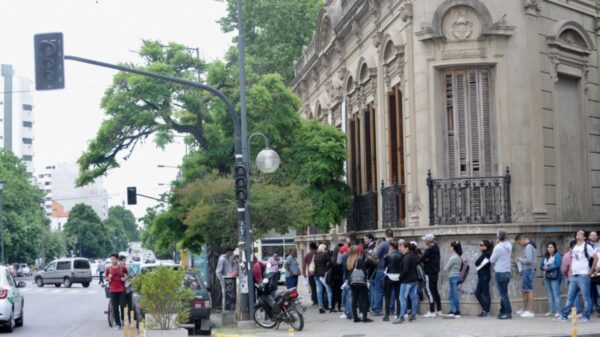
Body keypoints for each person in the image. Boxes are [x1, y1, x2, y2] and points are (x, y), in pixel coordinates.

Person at [556, 230, 599, 322]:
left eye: (580, 234)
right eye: (577, 233)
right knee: (570, 297)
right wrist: (571, 269)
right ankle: (564, 315)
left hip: (583, 275)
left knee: (586, 297)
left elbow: (596, 258)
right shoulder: (575, 247)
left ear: (584, 237)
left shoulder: (587, 246)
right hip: (574, 276)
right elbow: (573, 259)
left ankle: (586, 317)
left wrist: (591, 270)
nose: (578, 235)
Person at [346, 244, 372, 323]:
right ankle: (364, 316)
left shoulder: (349, 259)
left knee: (354, 298)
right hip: (360, 281)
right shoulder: (359, 259)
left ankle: (355, 317)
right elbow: (363, 271)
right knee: (364, 298)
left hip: (352, 281)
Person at [490, 229, 513, 320]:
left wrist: (497, 244)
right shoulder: (509, 245)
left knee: (503, 294)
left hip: (500, 272)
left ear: (498, 237)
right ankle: (503, 311)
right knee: (504, 293)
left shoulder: (498, 247)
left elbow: (492, 260)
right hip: (507, 271)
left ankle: (508, 313)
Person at [394, 242, 419, 324]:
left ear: (407, 248)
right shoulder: (414, 256)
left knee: (402, 298)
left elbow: (405, 270)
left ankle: (401, 316)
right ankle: (413, 314)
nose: (400, 249)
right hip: (414, 279)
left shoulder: (406, 258)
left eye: (402, 247)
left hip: (406, 281)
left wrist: (399, 277)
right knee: (414, 298)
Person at [516, 234, 537, 318]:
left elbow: (529, 260)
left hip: (528, 270)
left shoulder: (528, 246)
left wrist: (520, 259)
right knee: (525, 290)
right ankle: (525, 310)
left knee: (528, 290)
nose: (520, 244)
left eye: (519, 242)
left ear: (522, 239)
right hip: (528, 270)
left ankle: (530, 311)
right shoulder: (531, 245)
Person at [421, 233, 442, 318]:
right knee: (435, 291)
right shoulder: (436, 248)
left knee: (429, 292)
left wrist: (425, 260)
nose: (424, 241)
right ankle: (439, 310)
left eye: (425, 240)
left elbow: (421, 259)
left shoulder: (429, 250)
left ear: (429, 241)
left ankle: (432, 311)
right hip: (435, 273)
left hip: (429, 273)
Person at [105, 253, 128, 330]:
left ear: (117, 259)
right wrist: (109, 278)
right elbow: (106, 279)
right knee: (115, 308)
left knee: (123, 306)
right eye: (111, 259)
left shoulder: (122, 267)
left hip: (121, 289)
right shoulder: (108, 268)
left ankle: (123, 320)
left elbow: (127, 274)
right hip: (112, 290)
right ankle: (118, 324)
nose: (112, 260)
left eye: (114, 259)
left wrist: (124, 279)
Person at [540, 241, 562, 318]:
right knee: (549, 294)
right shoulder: (545, 256)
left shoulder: (557, 255)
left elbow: (557, 265)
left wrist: (548, 268)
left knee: (556, 294)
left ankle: (559, 311)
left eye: (551, 247)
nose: (549, 249)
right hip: (546, 277)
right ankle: (551, 310)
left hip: (555, 277)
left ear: (555, 248)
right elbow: (541, 265)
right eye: (548, 247)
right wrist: (543, 267)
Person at [561, 240, 583, 315]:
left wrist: (566, 274)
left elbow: (563, 269)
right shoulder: (581, 254)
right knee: (584, 295)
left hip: (571, 278)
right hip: (582, 276)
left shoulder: (566, 256)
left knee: (572, 295)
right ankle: (579, 311)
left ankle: (577, 311)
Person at [442, 241, 463, 318]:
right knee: (453, 295)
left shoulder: (453, 258)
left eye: (450, 246)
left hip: (452, 277)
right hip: (456, 276)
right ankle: (453, 311)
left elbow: (446, 268)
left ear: (453, 248)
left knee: (453, 295)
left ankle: (456, 311)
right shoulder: (459, 257)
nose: (449, 248)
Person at [383, 240, 402, 322]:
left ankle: (387, 315)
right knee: (398, 297)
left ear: (391, 246)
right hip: (398, 276)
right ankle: (398, 314)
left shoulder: (387, 256)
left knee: (387, 296)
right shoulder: (401, 255)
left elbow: (385, 266)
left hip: (389, 276)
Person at [475, 240, 493, 317]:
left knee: (486, 294)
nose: (480, 246)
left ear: (486, 246)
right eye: (480, 245)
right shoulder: (485, 253)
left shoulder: (487, 253)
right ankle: (485, 310)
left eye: (481, 245)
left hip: (485, 276)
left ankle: (486, 311)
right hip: (482, 276)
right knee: (477, 293)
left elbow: (477, 263)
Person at [314, 244, 333, 313]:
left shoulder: (315, 256)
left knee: (319, 291)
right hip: (323, 275)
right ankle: (330, 305)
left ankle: (320, 307)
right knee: (329, 290)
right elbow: (331, 263)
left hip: (316, 275)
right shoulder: (325, 255)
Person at [118, 256, 134, 325]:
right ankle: (123, 320)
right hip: (121, 290)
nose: (123, 262)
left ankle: (131, 320)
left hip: (128, 289)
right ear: (119, 261)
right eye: (121, 261)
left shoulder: (129, 268)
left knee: (130, 305)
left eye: (124, 261)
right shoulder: (117, 269)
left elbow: (133, 278)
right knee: (122, 305)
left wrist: (128, 284)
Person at [329, 245, 344, 312]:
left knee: (333, 293)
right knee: (339, 293)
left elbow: (329, 267)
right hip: (339, 277)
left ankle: (332, 307)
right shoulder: (340, 259)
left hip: (333, 278)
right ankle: (339, 307)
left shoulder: (331, 259)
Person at [588, 231, 599, 314]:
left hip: (598, 272)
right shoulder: (586, 246)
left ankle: (598, 308)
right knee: (589, 291)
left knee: (598, 292)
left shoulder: (599, 246)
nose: (594, 237)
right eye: (592, 235)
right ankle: (590, 308)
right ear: (588, 237)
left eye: (595, 235)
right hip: (588, 272)